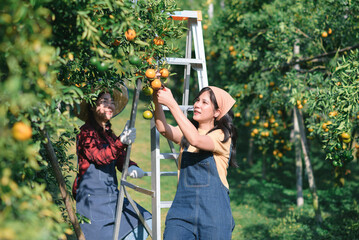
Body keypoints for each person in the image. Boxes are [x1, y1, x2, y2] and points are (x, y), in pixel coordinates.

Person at [153, 85, 237, 240]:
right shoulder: (188, 133)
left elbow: (196, 140)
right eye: (197, 100)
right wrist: (156, 95)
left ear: (217, 112)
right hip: (182, 212)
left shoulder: (221, 136)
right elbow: (163, 128)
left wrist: (172, 104)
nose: (197, 105)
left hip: (214, 215)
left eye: (204, 102)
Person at [72, 83, 152, 240]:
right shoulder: (86, 133)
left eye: (112, 101)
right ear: (92, 106)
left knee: (146, 220)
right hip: (92, 199)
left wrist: (131, 167)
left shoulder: (108, 133)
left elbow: (119, 157)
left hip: (111, 195)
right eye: (104, 101)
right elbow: (100, 157)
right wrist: (121, 141)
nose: (110, 105)